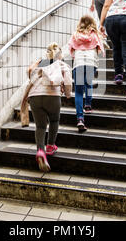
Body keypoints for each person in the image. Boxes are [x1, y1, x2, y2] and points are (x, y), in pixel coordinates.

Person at [27, 43, 72, 172]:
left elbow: (29, 71)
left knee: (40, 126)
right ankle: (50, 146)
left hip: (34, 96)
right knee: (54, 120)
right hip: (52, 96)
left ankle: (40, 150)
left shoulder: (40, 63)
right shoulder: (62, 64)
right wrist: (68, 93)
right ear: (60, 55)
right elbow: (68, 81)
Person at [68, 15, 105, 133]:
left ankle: (80, 118)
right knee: (88, 84)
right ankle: (88, 105)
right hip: (91, 63)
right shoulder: (94, 35)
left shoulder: (75, 35)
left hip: (78, 63)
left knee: (78, 91)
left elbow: (71, 51)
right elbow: (100, 50)